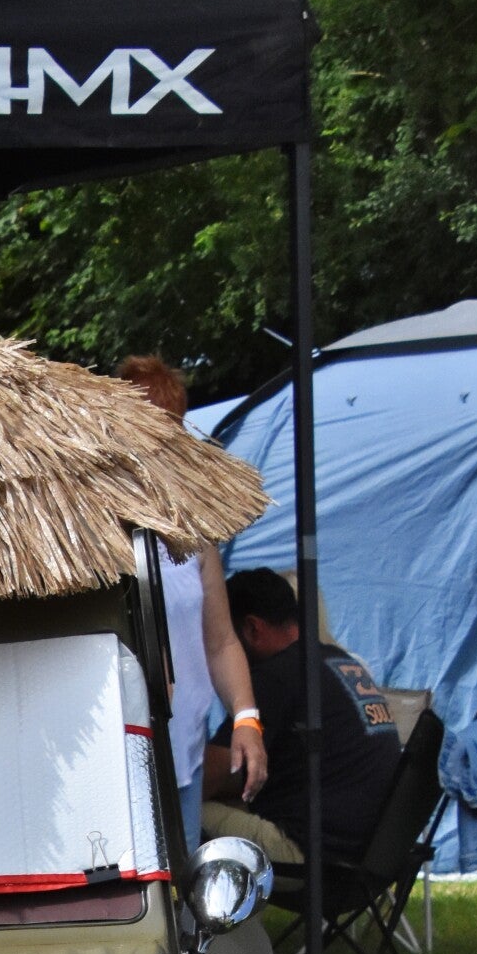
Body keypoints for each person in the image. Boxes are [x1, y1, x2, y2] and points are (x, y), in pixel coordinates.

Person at [118, 357, 267, 848]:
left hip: (185, 757)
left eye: (167, 432)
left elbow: (221, 642)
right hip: (120, 761)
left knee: (183, 885)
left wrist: (246, 718)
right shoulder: (94, 527)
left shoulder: (193, 531)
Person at [202, 565, 403, 869]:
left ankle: (216, 907)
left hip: (313, 855)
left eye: (226, 639)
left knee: (179, 812)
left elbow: (209, 776)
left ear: (253, 629)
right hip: (371, 853)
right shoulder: (337, 661)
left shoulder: (276, 677)